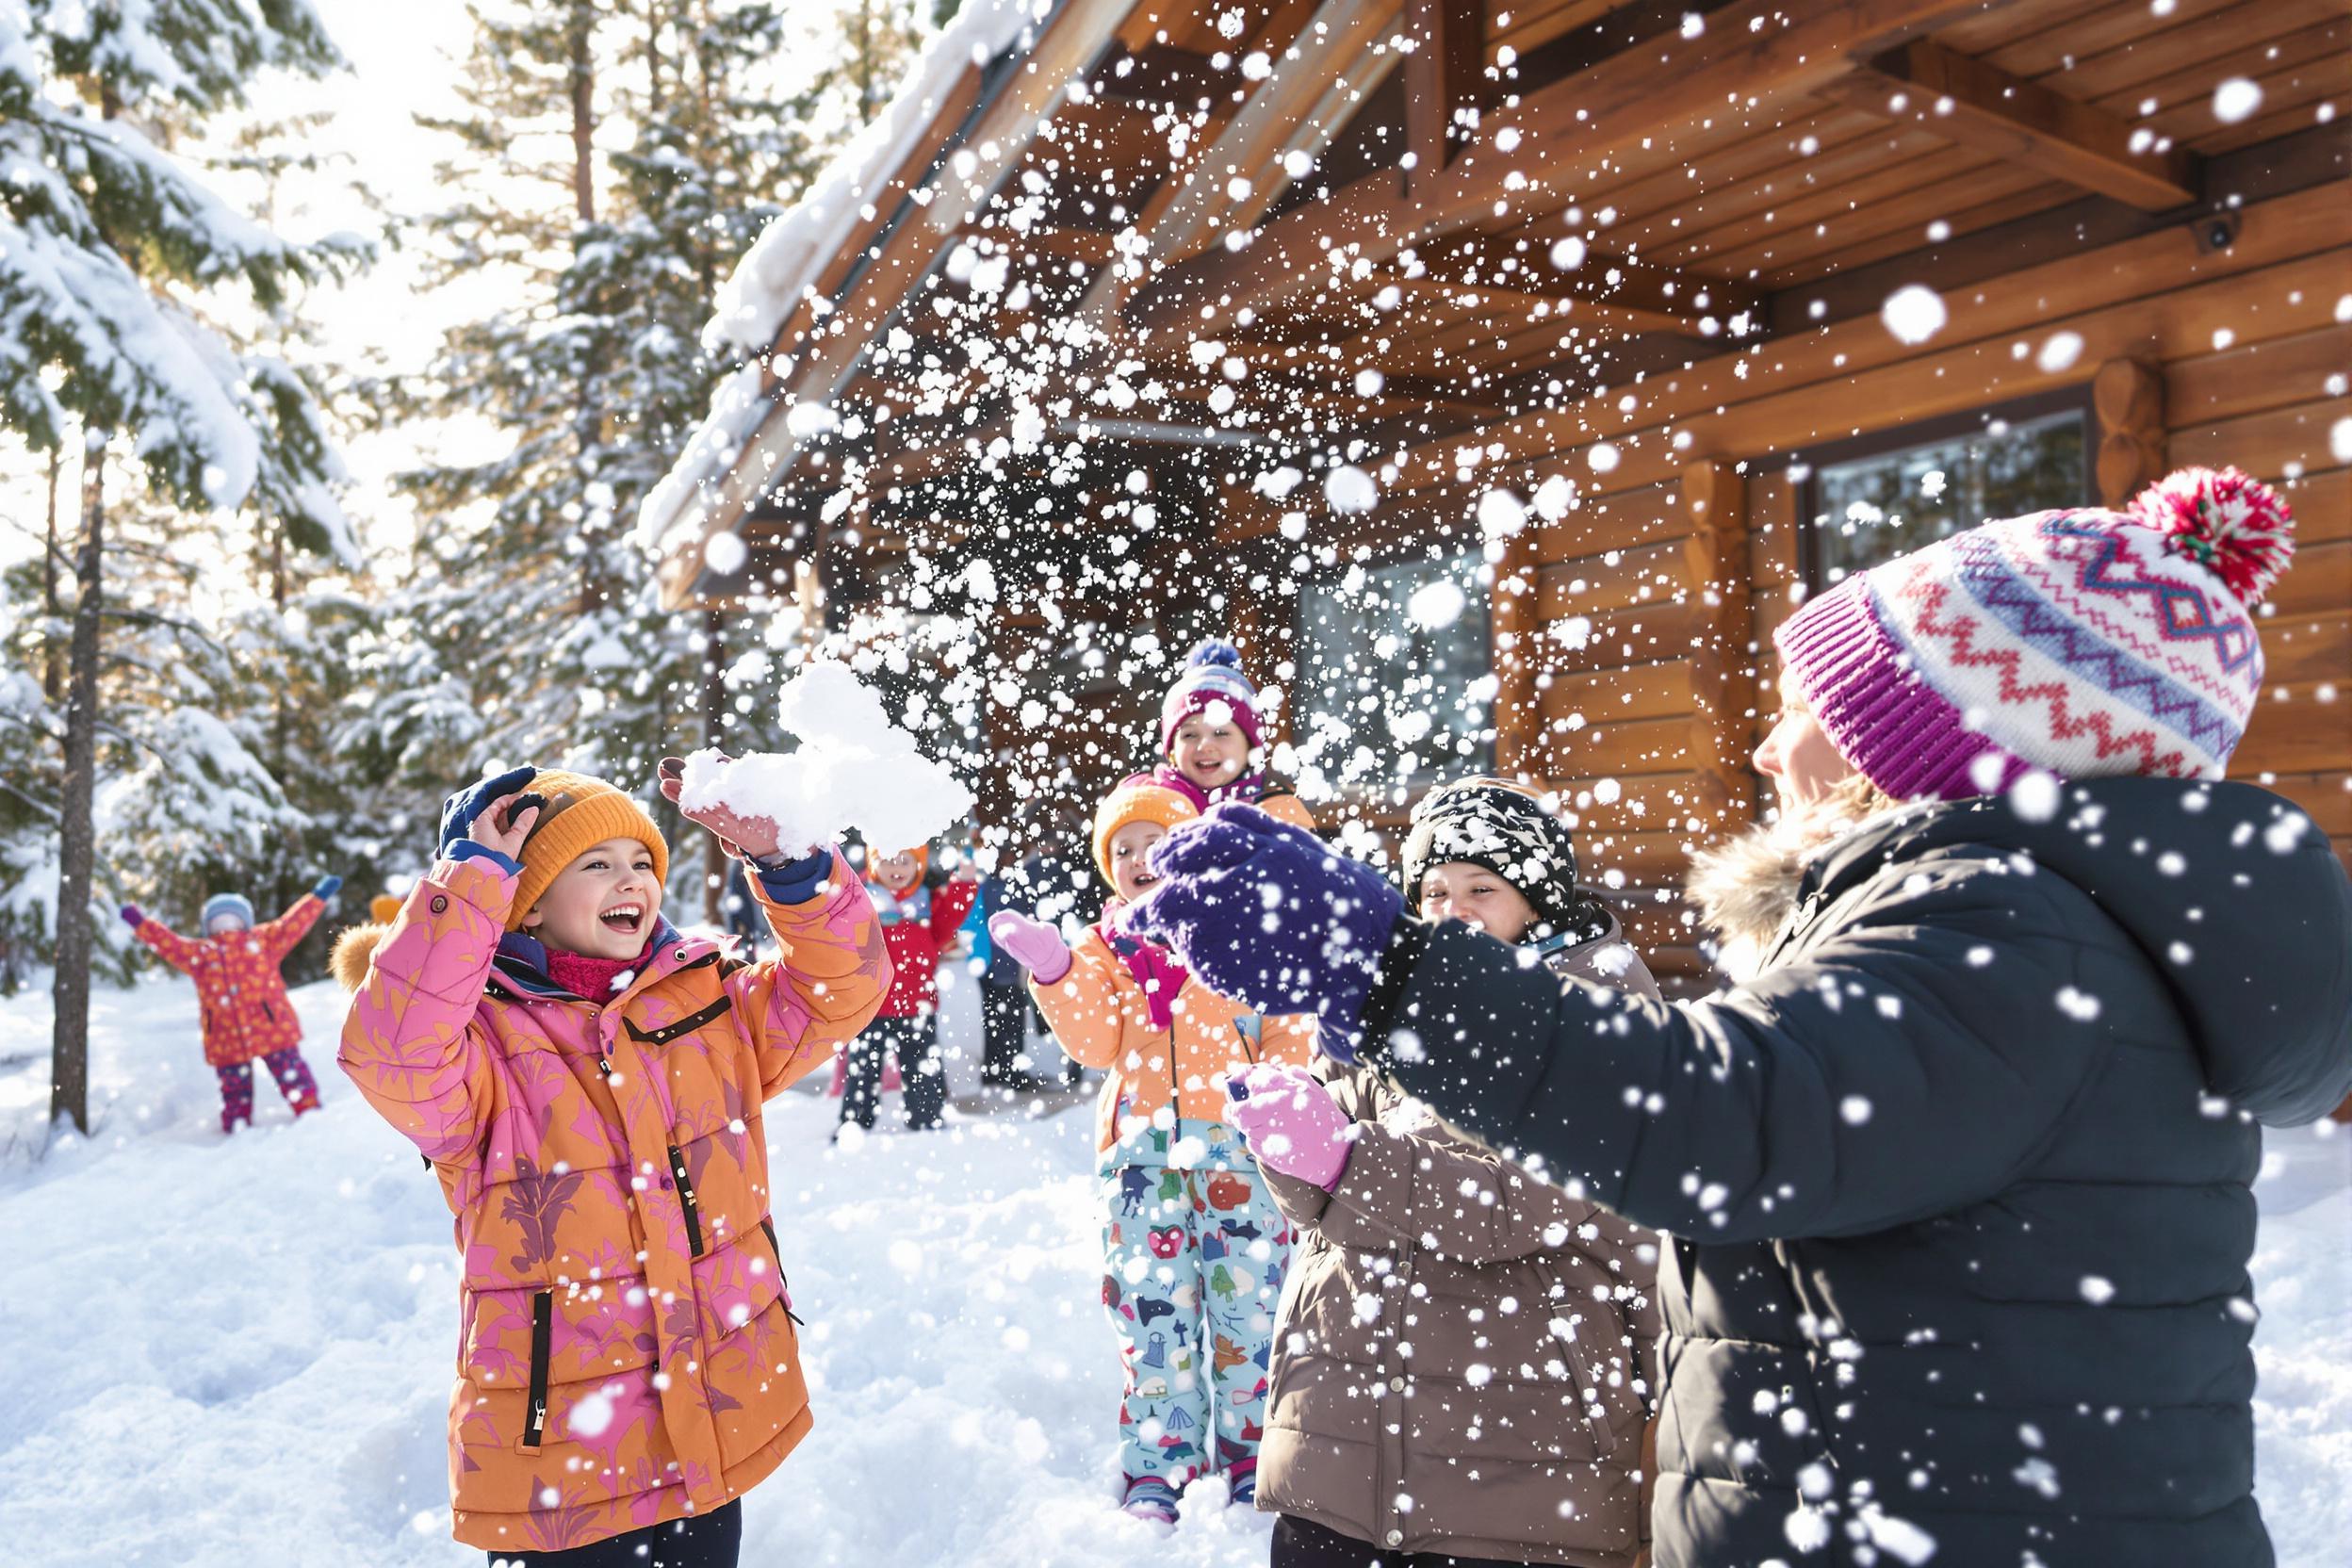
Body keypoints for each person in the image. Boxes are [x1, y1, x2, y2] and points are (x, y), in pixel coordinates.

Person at [1126, 469, 2352, 1567]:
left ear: (1928, 749)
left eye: (1815, 708)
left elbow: (1719, 1112)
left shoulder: (1998, 944)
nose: (1771, 750)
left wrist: (1388, 967)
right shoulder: (2041, 936)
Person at [334, 765, 890, 1564]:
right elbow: (393, 1055)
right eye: (595, 864)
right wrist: (469, 883)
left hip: (708, 1422)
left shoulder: (708, 1003)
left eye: (642, 862)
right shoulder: (481, 1049)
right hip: (561, 1460)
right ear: (527, 901)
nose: (630, 880)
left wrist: (792, 866)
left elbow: (845, 987)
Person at [1228, 776, 1663, 1567]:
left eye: (1481, 888)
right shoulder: (1384, 1006)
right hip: (1341, 1446)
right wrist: (1287, 1137)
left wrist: (1342, 1158)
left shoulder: (1599, 1018)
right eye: (1432, 890)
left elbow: (1511, 1206)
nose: (1451, 908)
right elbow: (1316, 1201)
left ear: (1537, 903)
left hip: (1518, 1464)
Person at [988, 780, 1319, 1526]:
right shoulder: (1105, 946)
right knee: (1152, 1320)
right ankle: (1160, 1465)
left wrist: (1282, 1095)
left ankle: (1253, 1456)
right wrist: (1058, 972)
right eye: (1122, 850)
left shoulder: (1241, 930)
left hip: (1238, 1156)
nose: (1138, 859)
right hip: (1138, 1162)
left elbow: (1289, 1019)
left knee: (1251, 1316)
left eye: (1153, 844)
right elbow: (1097, 1041)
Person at [121, 878, 341, 1133]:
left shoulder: (263, 941)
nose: (225, 925)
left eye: (232, 919)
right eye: (217, 920)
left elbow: (294, 924)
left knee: (291, 1073)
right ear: (208, 926)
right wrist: (140, 923)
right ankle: (237, 1127)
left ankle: (311, 1112)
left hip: (271, 1027)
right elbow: (168, 943)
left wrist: (317, 898)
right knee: (235, 1089)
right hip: (228, 1035)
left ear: (244, 921)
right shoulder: (201, 953)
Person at [841, 841, 975, 1134]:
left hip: (916, 1002)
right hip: (871, 1004)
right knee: (863, 1069)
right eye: (887, 861)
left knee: (922, 1068)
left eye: (905, 861)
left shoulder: (927, 900)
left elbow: (948, 922)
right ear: (873, 864)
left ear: (919, 866)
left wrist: (964, 882)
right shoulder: (861, 898)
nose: (896, 869)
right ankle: (855, 1121)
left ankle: (925, 1119)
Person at [1126, 638, 1314, 827]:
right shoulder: (1148, 803)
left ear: (1250, 746)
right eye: (1189, 735)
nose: (1205, 745)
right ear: (1172, 750)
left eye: (1221, 733)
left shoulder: (1277, 813)